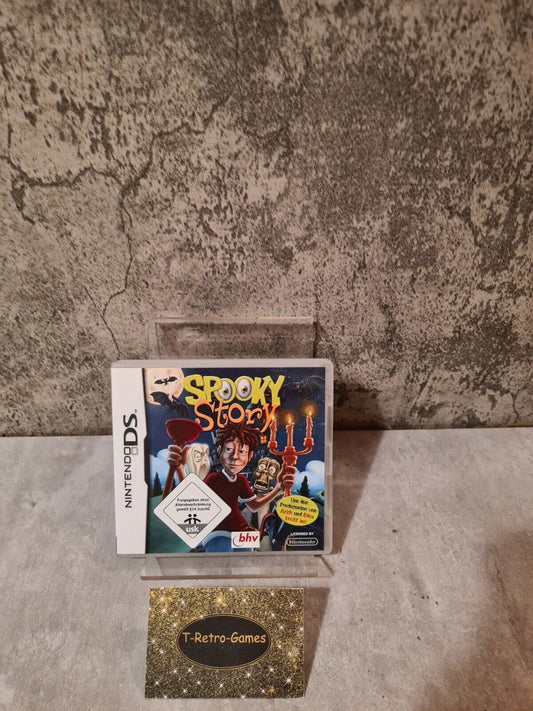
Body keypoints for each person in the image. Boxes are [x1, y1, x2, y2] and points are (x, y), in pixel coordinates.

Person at [167, 422, 295, 552]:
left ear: (250, 456)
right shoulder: (214, 479)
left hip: (242, 534)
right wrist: (179, 469)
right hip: (218, 533)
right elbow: (191, 500)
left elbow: (254, 506)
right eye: (228, 449)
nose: (234, 456)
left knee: (248, 562)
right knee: (221, 561)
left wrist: (277, 488)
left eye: (242, 452)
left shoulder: (241, 480)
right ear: (219, 451)